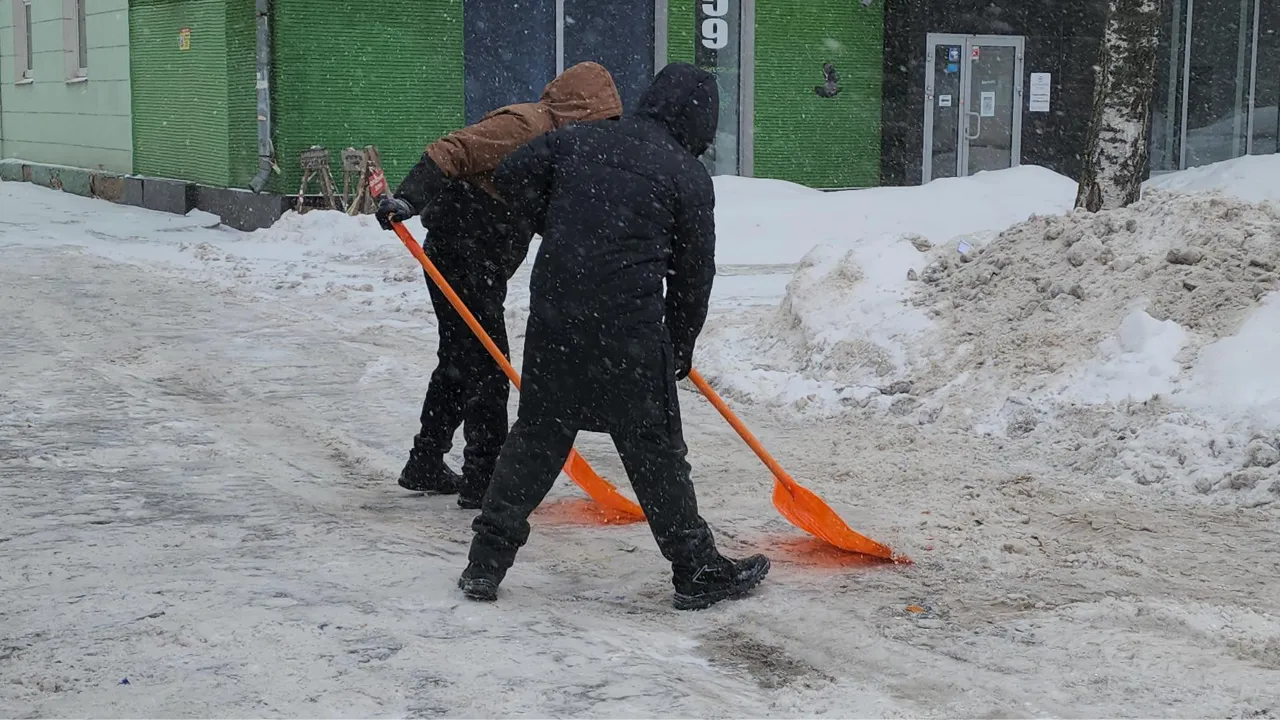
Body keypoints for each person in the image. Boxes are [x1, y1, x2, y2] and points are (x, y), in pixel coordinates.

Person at [457, 63, 770, 611]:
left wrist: (557, 220)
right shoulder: (685, 174)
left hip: (557, 323)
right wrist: (682, 339)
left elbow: (508, 176)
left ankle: (484, 564)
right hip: (629, 335)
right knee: (654, 450)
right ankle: (694, 567)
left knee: (535, 438)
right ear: (699, 122)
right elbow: (695, 275)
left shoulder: (577, 140)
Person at [376, 62, 623, 509]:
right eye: (597, 125)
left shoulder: (563, 147)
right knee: (488, 364)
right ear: (578, 113)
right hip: (460, 248)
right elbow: (450, 151)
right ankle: (483, 478)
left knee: (461, 360)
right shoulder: (524, 126)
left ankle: (425, 460)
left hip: (485, 258)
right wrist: (409, 198)